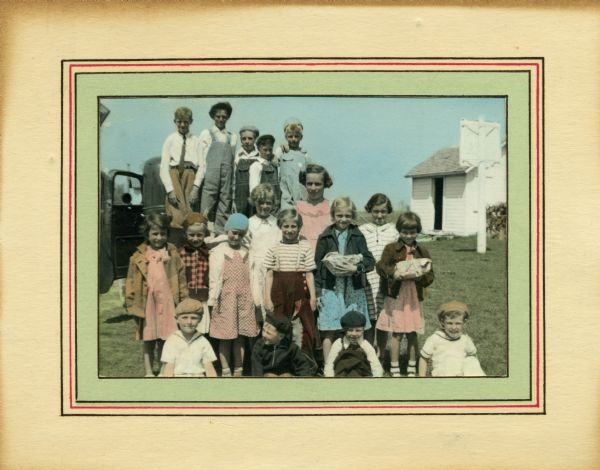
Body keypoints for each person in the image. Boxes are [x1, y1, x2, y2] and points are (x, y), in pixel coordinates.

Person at [125, 212, 188, 377]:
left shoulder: (173, 253)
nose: (159, 237)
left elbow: (181, 279)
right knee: (148, 338)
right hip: (148, 303)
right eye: (155, 234)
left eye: (163, 234)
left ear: (167, 234)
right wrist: (131, 304)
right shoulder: (138, 256)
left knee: (166, 338)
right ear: (147, 234)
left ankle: (162, 369)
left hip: (168, 302)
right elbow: (131, 282)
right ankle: (148, 371)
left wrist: (183, 301)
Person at [314, 197, 375, 361]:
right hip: (331, 287)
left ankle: (356, 361)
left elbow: (370, 261)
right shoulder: (326, 236)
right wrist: (318, 292)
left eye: (347, 216)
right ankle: (329, 364)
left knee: (355, 326)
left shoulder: (357, 234)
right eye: (339, 215)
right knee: (330, 328)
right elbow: (317, 266)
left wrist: (356, 268)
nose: (343, 219)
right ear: (333, 215)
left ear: (352, 215)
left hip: (353, 287)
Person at [376, 211, 434, 377]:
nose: (409, 235)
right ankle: (394, 367)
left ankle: (411, 366)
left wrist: (421, 276)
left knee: (412, 332)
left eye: (413, 232)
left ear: (418, 231)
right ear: (399, 231)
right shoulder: (391, 248)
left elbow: (431, 275)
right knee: (397, 331)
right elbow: (380, 267)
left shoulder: (422, 250)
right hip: (397, 295)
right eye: (405, 232)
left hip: (414, 296)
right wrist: (394, 273)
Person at [263, 208, 319, 357]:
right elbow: (269, 275)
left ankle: (301, 360)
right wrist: (267, 298)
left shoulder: (305, 247)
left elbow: (309, 274)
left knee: (300, 327)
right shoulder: (274, 248)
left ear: (299, 227)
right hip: (278, 293)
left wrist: (313, 297)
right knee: (278, 325)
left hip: (299, 293)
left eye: (293, 226)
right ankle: (278, 360)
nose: (289, 230)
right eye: (286, 226)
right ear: (280, 227)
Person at [208, 213, 258, 377]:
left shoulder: (247, 252)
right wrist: (213, 299)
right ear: (227, 231)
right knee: (225, 337)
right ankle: (225, 369)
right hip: (225, 299)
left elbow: (253, 277)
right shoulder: (218, 251)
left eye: (241, 234)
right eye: (233, 232)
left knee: (240, 337)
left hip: (244, 299)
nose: (236, 237)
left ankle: (239, 368)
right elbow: (214, 278)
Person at [359, 193, 399, 349]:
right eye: (376, 211)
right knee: (369, 319)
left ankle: (381, 354)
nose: (379, 215)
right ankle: (368, 352)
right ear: (370, 210)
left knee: (383, 319)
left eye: (383, 211)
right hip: (368, 280)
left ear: (388, 211)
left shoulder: (394, 231)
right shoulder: (362, 230)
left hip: (386, 281)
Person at [196, 102, 237, 234]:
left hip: (227, 176)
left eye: (224, 117)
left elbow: (233, 160)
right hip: (210, 176)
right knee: (207, 205)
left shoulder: (232, 137)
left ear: (228, 118)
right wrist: (198, 183)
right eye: (218, 116)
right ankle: (202, 235)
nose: (220, 119)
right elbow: (201, 161)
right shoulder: (206, 133)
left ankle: (221, 236)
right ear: (213, 116)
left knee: (225, 204)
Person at [419, 301, 485, 377]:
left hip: (461, 374)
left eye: (458, 323)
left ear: (464, 322)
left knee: (472, 361)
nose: (453, 327)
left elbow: (473, 356)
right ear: (442, 322)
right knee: (449, 360)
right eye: (450, 323)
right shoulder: (435, 338)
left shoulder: (465, 339)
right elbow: (423, 358)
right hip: (444, 373)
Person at [159, 107, 200, 229]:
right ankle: (175, 244)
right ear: (175, 121)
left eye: (186, 122)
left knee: (190, 211)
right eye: (179, 121)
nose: (182, 125)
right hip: (174, 175)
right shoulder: (170, 140)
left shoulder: (196, 140)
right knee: (176, 211)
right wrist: (170, 190)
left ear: (191, 121)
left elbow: (202, 166)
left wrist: (195, 188)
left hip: (190, 174)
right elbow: (163, 167)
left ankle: (190, 244)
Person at [245, 184, 281, 324]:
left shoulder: (277, 223)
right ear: (254, 202)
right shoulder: (249, 223)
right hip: (255, 269)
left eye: (268, 203)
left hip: (273, 270)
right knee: (255, 304)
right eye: (261, 202)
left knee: (271, 305)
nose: (265, 206)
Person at [160, 298, 217, 377]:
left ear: (200, 320)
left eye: (194, 318)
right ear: (177, 319)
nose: (189, 322)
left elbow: (209, 368)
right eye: (184, 317)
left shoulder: (203, 341)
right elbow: (168, 369)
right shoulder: (172, 341)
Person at [251, 314, 318, 377]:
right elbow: (257, 372)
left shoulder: (291, 348)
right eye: (263, 330)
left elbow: (303, 367)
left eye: (268, 333)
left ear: (281, 336)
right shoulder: (259, 346)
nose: (264, 335)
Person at [324, 311, 383, 377]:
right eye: (350, 330)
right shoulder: (339, 343)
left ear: (363, 330)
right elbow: (329, 363)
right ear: (344, 330)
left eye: (358, 330)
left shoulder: (365, 345)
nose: (354, 334)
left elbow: (375, 364)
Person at [179, 212, 211, 334]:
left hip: (203, 298)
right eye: (191, 235)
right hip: (187, 297)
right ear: (185, 234)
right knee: (187, 328)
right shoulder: (180, 253)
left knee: (202, 329)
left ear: (205, 235)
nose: (196, 238)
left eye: (199, 235)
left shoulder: (209, 253)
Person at [295, 163, 333, 254]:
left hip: (325, 257)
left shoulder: (332, 208)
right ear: (304, 184)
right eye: (309, 184)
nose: (313, 188)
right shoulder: (297, 208)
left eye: (317, 184)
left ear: (325, 184)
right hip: (302, 257)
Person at [274, 118, 310, 209]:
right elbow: (273, 163)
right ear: (286, 137)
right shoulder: (281, 151)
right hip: (286, 195)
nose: (293, 139)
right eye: (290, 136)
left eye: (296, 136)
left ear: (301, 137)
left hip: (302, 194)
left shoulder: (304, 154)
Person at [249, 134, 281, 214]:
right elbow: (253, 190)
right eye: (265, 150)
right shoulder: (256, 165)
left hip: (275, 207)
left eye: (270, 149)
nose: (268, 152)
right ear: (259, 149)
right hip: (263, 207)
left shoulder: (273, 165)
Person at [234, 125, 260, 216]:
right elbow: (233, 178)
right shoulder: (236, 155)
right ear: (241, 139)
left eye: (250, 138)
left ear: (255, 139)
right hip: (240, 195)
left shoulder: (260, 155)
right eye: (244, 139)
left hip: (256, 194)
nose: (247, 141)